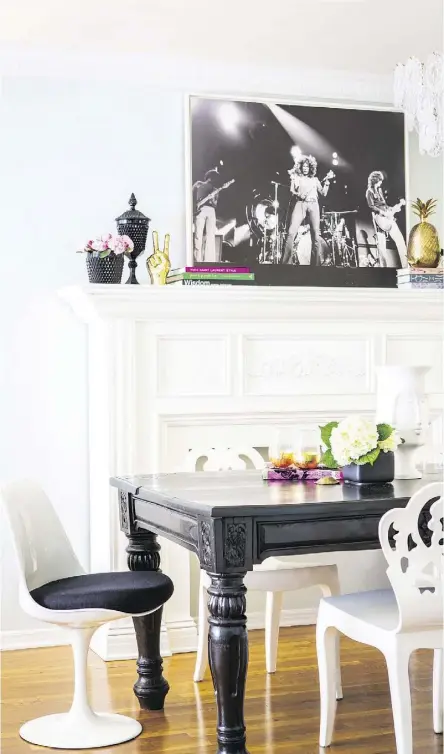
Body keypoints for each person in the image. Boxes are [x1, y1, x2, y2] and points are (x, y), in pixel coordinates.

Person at [282, 155, 331, 265]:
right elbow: (292, 190)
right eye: (303, 166)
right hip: (301, 204)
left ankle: (315, 265)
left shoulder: (315, 180)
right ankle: (285, 264)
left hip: (314, 204)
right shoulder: (297, 178)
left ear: (310, 168)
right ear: (300, 167)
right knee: (291, 232)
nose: (305, 168)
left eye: (307, 167)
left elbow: (323, 193)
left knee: (316, 235)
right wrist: (298, 192)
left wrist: (327, 182)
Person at [366, 171, 407, 268]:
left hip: (388, 218)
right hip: (379, 219)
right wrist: (383, 213)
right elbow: (371, 206)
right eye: (380, 180)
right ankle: (383, 269)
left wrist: (393, 208)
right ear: (375, 180)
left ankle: (406, 266)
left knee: (400, 240)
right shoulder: (369, 192)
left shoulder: (379, 190)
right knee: (382, 246)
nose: (381, 182)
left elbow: (384, 205)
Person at [192, 169, 221, 263]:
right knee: (198, 234)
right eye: (214, 178)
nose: (214, 180)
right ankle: (197, 260)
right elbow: (190, 195)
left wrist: (212, 199)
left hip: (211, 210)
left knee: (210, 235)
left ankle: (208, 260)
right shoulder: (198, 184)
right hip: (200, 209)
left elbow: (215, 205)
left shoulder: (216, 190)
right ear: (209, 177)